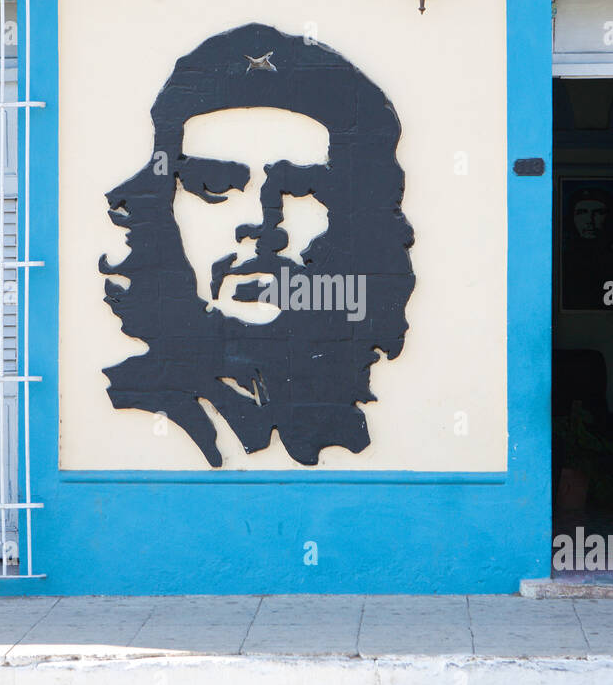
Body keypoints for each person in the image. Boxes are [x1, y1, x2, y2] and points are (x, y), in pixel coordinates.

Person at [99, 23, 415, 467]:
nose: (261, 226)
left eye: (302, 188)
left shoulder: (340, 384)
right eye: (214, 186)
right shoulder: (145, 392)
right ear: (166, 204)